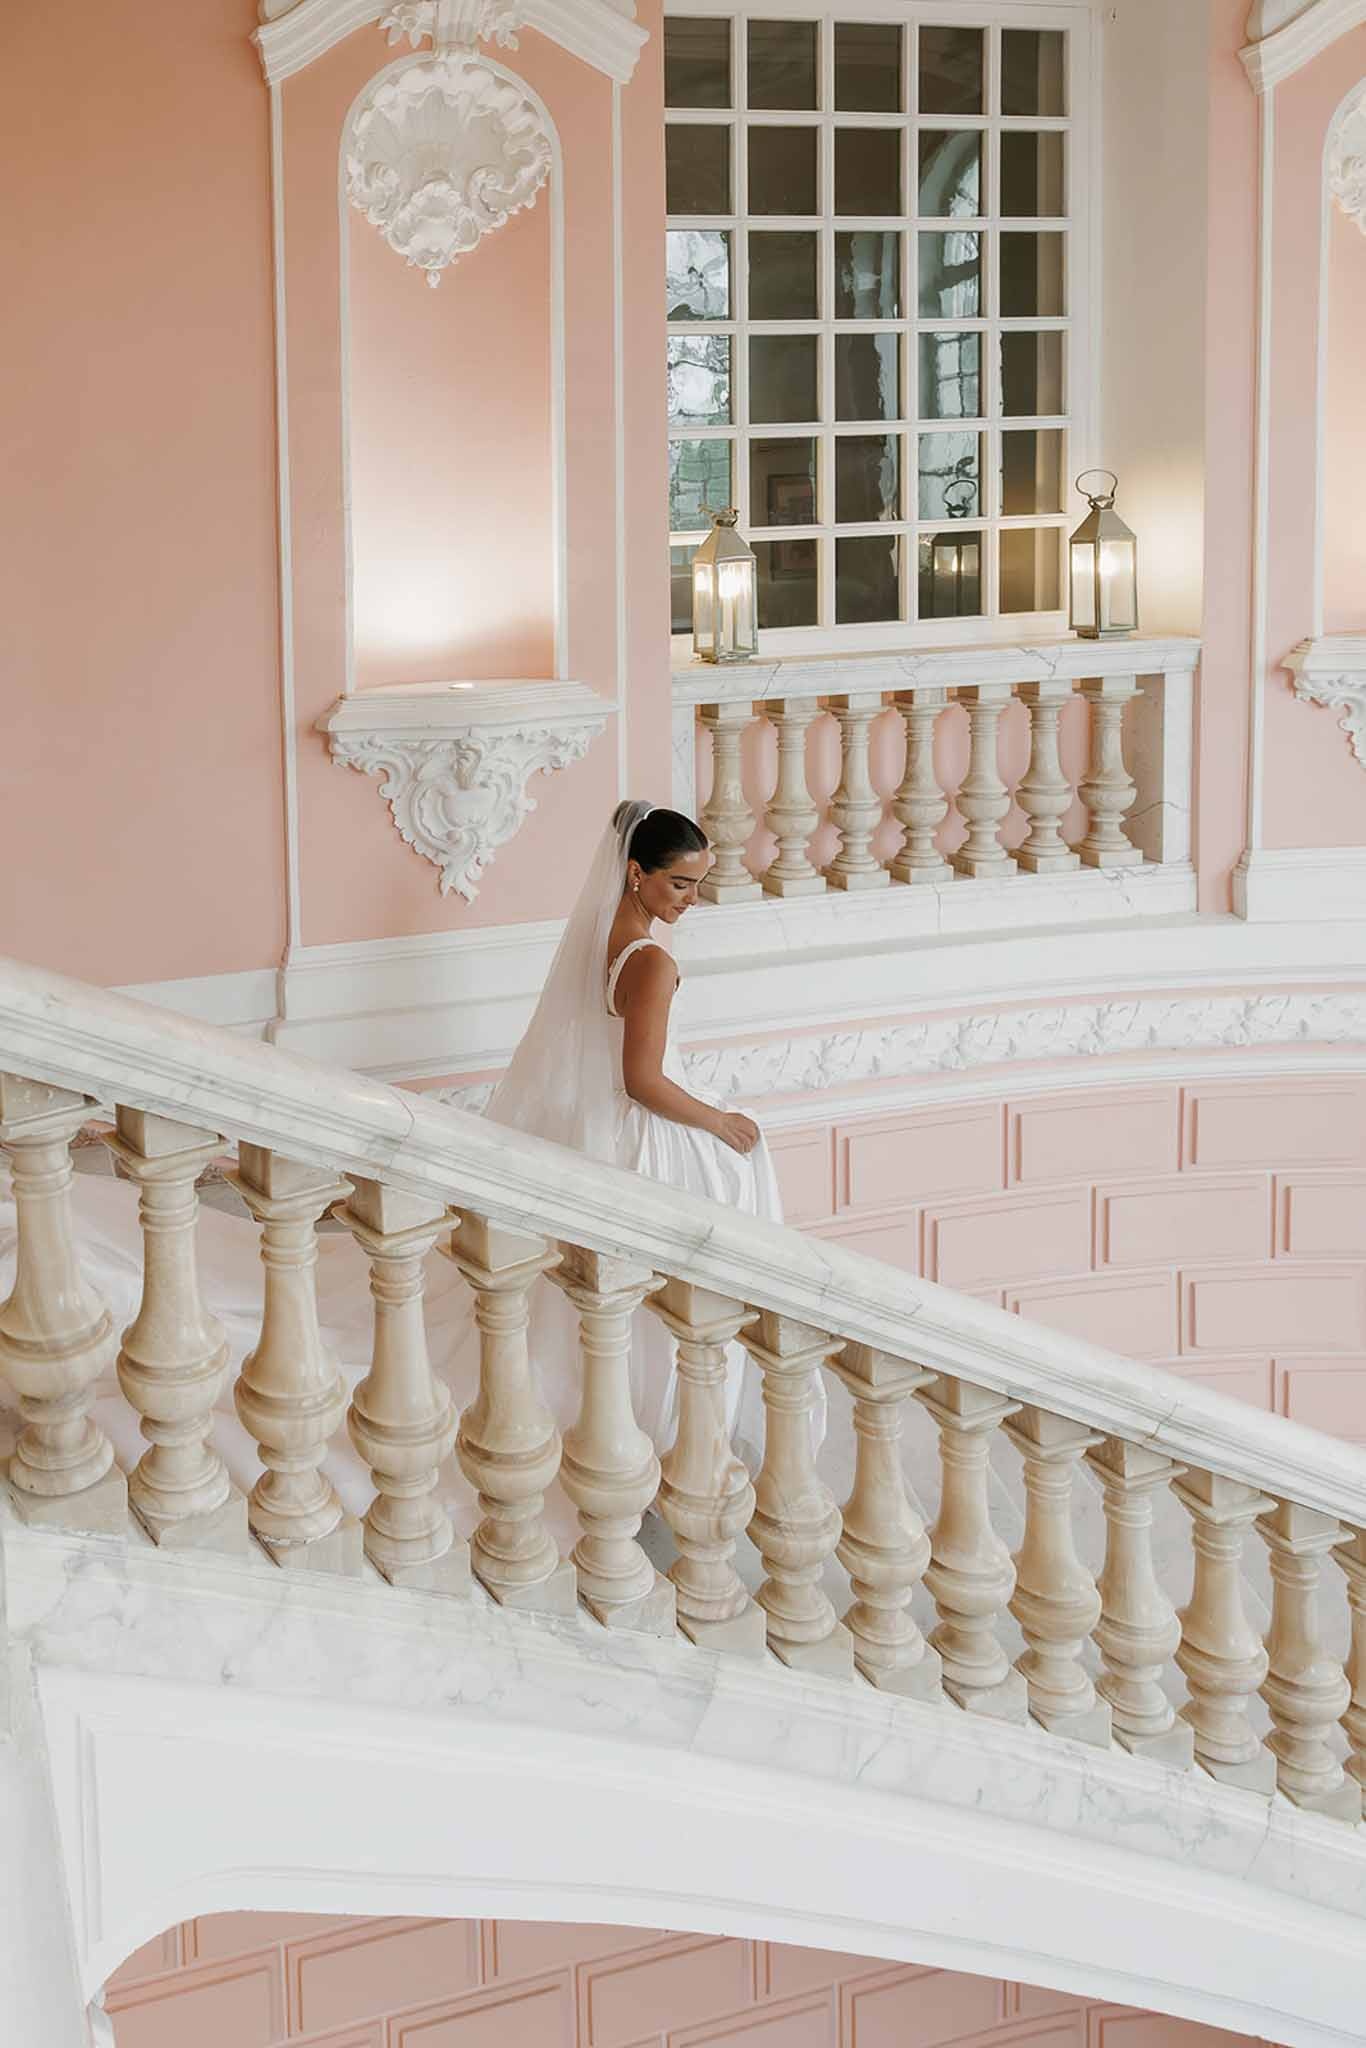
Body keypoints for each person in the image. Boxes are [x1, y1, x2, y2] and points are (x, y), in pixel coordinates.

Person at [484, 799, 817, 1461]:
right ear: (636, 872)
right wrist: (718, 1121)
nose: (693, 899)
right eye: (680, 883)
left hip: (604, 1124)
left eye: (699, 883)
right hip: (646, 1132)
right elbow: (643, 1080)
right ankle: (672, 1429)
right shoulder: (652, 963)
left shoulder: (603, 936)